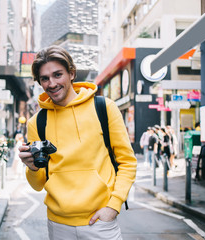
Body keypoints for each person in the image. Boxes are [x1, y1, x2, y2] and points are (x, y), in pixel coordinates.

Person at [18, 45, 137, 240]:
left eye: (58, 75)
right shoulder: (37, 122)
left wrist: (114, 206)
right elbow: (38, 185)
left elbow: (127, 162)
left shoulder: (104, 108)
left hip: (100, 222)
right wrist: (31, 168)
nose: (52, 83)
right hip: (58, 225)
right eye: (45, 78)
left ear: (72, 73)